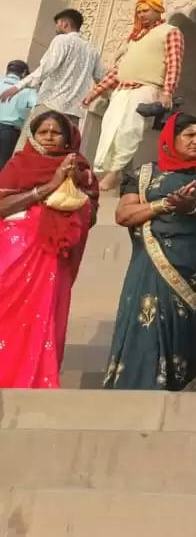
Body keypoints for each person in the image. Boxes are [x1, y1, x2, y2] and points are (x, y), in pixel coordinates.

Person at [103, 112, 196, 390]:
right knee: (147, 322)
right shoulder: (145, 174)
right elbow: (124, 214)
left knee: (184, 332)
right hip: (153, 262)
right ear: (171, 139)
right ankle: (140, 386)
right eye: (189, 135)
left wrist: (194, 208)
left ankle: (173, 384)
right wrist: (163, 205)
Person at [0, 111, 98, 388]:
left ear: (68, 138)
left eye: (56, 132)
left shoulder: (81, 169)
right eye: (43, 132)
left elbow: (90, 215)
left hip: (53, 254)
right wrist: (50, 187)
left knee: (44, 315)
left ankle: (37, 379)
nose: (49, 137)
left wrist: (72, 188)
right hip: (15, 253)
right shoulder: (19, 164)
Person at [82, 0, 183, 187]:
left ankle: (114, 174)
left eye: (145, 11)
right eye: (139, 12)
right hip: (122, 90)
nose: (142, 15)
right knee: (111, 131)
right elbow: (118, 71)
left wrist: (168, 91)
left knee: (129, 131)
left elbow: (174, 64)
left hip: (146, 88)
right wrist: (94, 93)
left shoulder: (169, 32)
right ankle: (119, 174)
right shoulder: (135, 37)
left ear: (157, 11)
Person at [3, 8, 103, 125]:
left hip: (50, 105)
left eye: (57, 24)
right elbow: (101, 78)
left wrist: (18, 86)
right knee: (62, 143)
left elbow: (46, 68)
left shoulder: (62, 40)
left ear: (64, 24)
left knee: (37, 141)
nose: (56, 28)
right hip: (73, 114)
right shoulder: (92, 50)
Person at [0, 60, 36, 166]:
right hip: (9, 133)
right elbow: (37, 106)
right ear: (24, 73)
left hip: (9, 132)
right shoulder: (28, 90)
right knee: (3, 165)